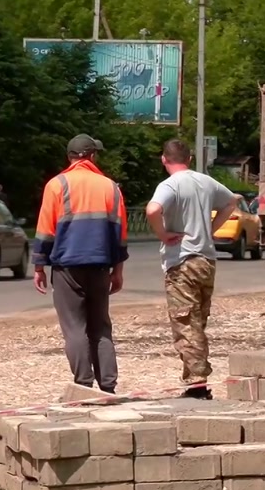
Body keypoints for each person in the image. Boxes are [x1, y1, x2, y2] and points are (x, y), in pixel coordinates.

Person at [32, 134, 129, 394]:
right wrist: (117, 270)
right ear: (92, 156)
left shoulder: (57, 185)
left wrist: (39, 265)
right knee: (101, 327)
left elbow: (45, 230)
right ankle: (108, 387)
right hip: (100, 267)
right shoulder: (111, 187)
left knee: (75, 328)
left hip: (67, 267)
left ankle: (83, 385)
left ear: (70, 157)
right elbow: (120, 233)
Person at [145, 138, 238, 399]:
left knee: (186, 324)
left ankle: (198, 384)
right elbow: (232, 202)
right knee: (198, 322)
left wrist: (163, 234)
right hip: (206, 261)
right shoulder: (206, 181)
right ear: (190, 159)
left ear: (164, 159)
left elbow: (152, 209)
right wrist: (210, 229)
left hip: (182, 261)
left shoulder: (170, 184)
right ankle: (193, 381)